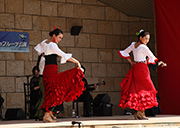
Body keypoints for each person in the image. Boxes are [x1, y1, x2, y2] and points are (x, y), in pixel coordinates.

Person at [34, 28, 84, 123]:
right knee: (57, 92)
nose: (60, 39)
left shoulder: (45, 42)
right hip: (51, 71)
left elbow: (39, 50)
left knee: (52, 92)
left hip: (47, 70)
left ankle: (49, 113)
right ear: (54, 36)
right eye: (59, 37)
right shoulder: (53, 45)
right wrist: (77, 62)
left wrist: (44, 54)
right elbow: (63, 55)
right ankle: (47, 114)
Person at [118, 29, 166, 120]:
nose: (147, 41)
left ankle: (139, 112)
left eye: (148, 39)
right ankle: (140, 112)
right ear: (140, 37)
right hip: (142, 69)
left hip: (136, 68)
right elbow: (152, 57)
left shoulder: (133, 45)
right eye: (146, 38)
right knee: (148, 89)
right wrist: (157, 62)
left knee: (138, 90)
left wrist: (131, 62)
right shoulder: (144, 47)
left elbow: (124, 52)